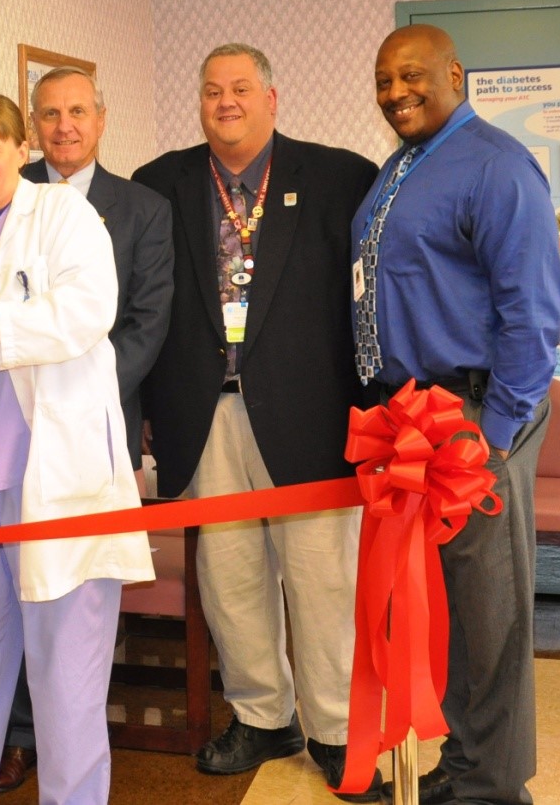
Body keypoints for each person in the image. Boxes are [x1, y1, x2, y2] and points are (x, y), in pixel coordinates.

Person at [132, 44, 380, 801]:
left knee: (321, 579)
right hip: (202, 414)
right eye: (213, 90)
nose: (226, 101)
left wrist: (378, 404)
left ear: (274, 97)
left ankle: (334, 729)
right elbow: (143, 307)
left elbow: (371, 301)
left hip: (311, 414)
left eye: (241, 88)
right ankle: (262, 714)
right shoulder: (159, 184)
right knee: (231, 579)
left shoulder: (339, 177)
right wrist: (142, 413)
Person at [0, 91, 154, 805]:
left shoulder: (64, 215)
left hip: (55, 489)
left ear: (20, 151)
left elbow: (86, 313)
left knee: (66, 692)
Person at [357, 24, 560, 805]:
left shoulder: (498, 167)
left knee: (490, 612)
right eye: (383, 80)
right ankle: (464, 762)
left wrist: (495, 435)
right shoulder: (406, 165)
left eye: (412, 75)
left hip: (476, 420)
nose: (396, 92)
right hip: (420, 420)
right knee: (443, 609)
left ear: (455, 73)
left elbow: (535, 315)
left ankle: (493, 787)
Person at [0, 64, 174, 793]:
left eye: (77, 111)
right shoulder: (7, 193)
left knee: (77, 605)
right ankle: (16, 737)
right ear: (32, 125)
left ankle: (73, 751)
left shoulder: (142, 208)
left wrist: (79, 397)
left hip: (95, 430)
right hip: (8, 426)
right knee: (3, 594)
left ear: (101, 118)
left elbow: (147, 320)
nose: (64, 126)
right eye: (50, 113)